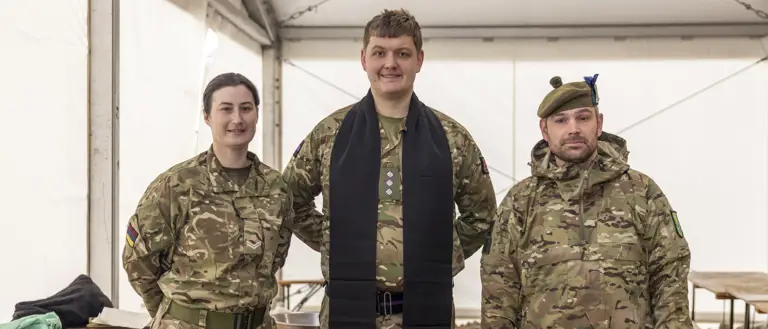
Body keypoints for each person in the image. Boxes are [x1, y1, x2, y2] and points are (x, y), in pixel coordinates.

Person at [281, 8, 497, 329]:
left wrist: (438, 250)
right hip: (346, 309)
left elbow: (482, 215)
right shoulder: (330, 135)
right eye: (379, 53)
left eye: (402, 53)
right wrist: (333, 240)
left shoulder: (451, 138)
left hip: (429, 308)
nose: (390, 63)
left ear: (419, 60)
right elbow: (290, 201)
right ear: (363, 59)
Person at [480, 74, 693, 329]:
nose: (573, 129)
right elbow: (498, 286)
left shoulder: (641, 192)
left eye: (583, 118)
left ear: (599, 123)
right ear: (545, 130)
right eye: (561, 120)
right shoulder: (520, 201)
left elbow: (670, 276)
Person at [122, 72, 294, 329]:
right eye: (226, 109)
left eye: (246, 108)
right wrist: (175, 313)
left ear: (257, 114)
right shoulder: (177, 185)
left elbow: (275, 258)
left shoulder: (276, 187)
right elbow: (138, 262)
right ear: (207, 116)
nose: (237, 119)